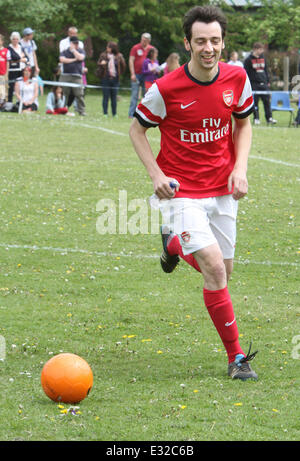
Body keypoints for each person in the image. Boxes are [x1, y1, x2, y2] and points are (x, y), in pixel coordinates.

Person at [129, 5, 258, 381]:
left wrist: (240, 168)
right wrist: (155, 174)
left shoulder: (237, 77)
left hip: (222, 191)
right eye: (200, 40)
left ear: (223, 42)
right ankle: (237, 358)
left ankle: (172, 245)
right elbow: (137, 130)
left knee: (223, 273)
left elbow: (244, 123)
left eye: (215, 40)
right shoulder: (165, 88)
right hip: (180, 191)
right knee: (214, 269)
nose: (208, 48)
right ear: (187, 43)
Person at [244, 42, 276, 125]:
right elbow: (245, 73)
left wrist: (268, 81)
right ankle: (256, 118)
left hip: (264, 84)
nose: (261, 51)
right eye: (260, 49)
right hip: (254, 85)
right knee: (255, 103)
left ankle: (269, 118)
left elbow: (265, 71)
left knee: (267, 102)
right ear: (255, 49)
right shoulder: (248, 60)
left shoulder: (263, 58)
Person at [97, 41, 126, 117]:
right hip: (105, 78)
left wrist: (119, 73)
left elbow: (123, 66)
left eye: (109, 47)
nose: (107, 48)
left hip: (115, 79)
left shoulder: (119, 56)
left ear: (113, 48)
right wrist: (101, 64)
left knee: (114, 97)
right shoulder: (103, 55)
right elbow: (98, 64)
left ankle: (114, 113)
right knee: (105, 96)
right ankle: (105, 113)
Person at [59, 35, 86, 116]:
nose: (76, 45)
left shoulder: (81, 51)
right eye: (74, 43)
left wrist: (74, 50)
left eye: (77, 43)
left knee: (79, 94)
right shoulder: (64, 51)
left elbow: (81, 58)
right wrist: (74, 60)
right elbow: (62, 60)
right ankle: (62, 109)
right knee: (64, 94)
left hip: (77, 76)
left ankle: (81, 111)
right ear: (70, 43)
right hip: (65, 75)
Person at [128, 32, 153, 118]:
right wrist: (132, 73)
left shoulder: (151, 49)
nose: (143, 41)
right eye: (142, 39)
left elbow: (154, 61)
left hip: (147, 76)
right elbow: (131, 60)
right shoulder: (135, 48)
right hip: (137, 74)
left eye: (145, 40)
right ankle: (131, 114)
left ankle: (143, 115)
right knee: (134, 95)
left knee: (146, 96)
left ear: (149, 41)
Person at [7, 32, 27, 102]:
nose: (15, 40)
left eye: (17, 39)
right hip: (13, 70)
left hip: (22, 69)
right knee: (11, 87)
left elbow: (26, 58)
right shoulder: (9, 48)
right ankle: (9, 102)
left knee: (21, 86)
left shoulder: (21, 47)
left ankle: (20, 102)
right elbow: (13, 58)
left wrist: (19, 59)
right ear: (11, 39)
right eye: (13, 39)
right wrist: (21, 57)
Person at [0, 34, 10, 105]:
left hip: (2, 74)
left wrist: (6, 73)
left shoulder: (6, 51)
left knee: (3, 89)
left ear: (2, 42)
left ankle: (3, 103)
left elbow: (8, 63)